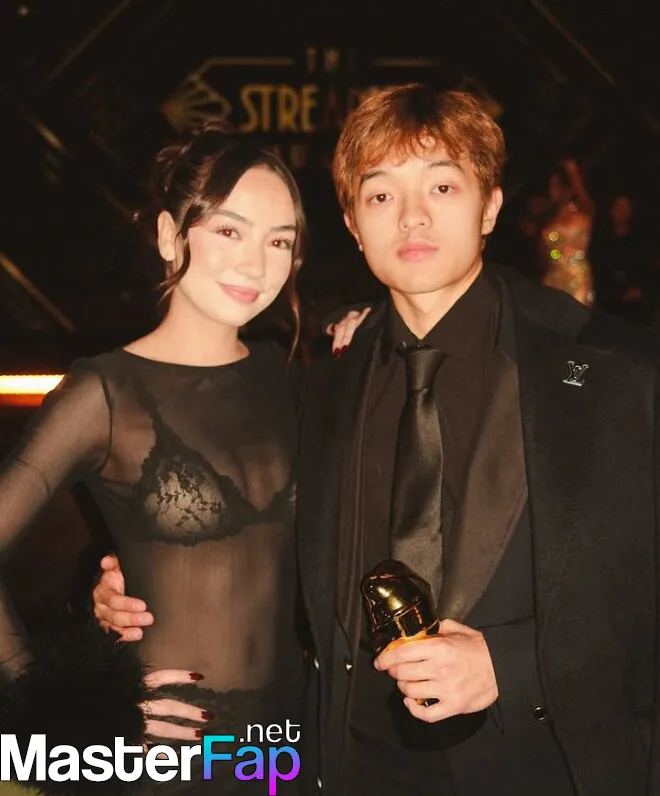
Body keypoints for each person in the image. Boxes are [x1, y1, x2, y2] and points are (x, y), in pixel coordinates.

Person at [95, 86, 659, 796]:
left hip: (542, 770)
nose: (412, 216)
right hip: (351, 767)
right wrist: (140, 584)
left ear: (490, 206)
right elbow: (259, 541)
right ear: (353, 225)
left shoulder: (614, 372)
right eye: (381, 194)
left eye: (443, 187)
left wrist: (514, 664)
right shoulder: (321, 382)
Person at [0, 125, 317, 794]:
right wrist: (74, 711)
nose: (256, 265)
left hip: (284, 754)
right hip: (159, 762)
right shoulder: (105, 392)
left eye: (279, 241)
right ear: (171, 236)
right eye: (229, 231)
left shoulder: (293, 379)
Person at [539, 157, 595, 306]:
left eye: (556, 186)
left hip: (577, 281)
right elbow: (543, 259)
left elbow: (589, 208)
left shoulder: (583, 214)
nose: (552, 191)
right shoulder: (548, 219)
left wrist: (573, 173)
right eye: (551, 187)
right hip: (553, 282)